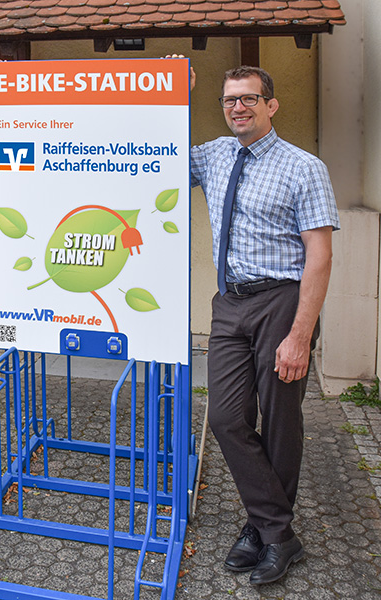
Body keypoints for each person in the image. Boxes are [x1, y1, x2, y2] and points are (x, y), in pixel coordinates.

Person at [189, 65, 339, 584]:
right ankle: (278, 531)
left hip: (281, 301)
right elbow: (149, 159)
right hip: (229, 302)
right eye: (230, 99)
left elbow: (319, 257)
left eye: (250, 99)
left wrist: (301, 335)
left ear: (271, 106)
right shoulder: (211, 155)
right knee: (228, 418)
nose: (238, 108)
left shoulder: (304, 167)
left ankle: (264, 529)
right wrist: (168, 93)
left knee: (279, 421)